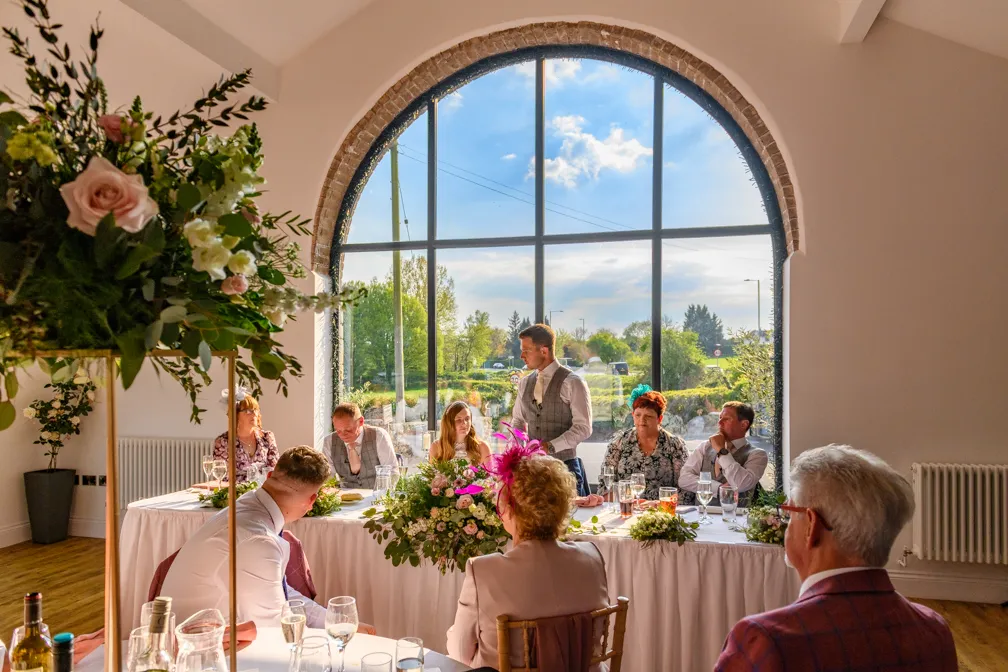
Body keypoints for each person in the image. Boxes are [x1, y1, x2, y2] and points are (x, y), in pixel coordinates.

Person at [715, 445, 957, 672]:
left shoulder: (767, 640)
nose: (786, 523)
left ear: (812, 526)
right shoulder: (934, 630)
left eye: (789, 511)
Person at [446, 447, 609, 669]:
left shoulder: (483, 571)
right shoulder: (592, 558)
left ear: (511, 511)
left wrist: (452, 635)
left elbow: (459, 653)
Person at [161, 446, 331, 628]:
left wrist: (331, 622)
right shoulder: (257, 540)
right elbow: (275, 629)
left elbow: (280, 594)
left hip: (206, 634)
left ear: (269, 476)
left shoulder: (246, 506)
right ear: (311, 501)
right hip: (199, 647)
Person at [510, 323, 593, 496]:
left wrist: (551, 447)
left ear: (544, 351)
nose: (521, 355)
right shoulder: (525, 383)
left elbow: (583, 428)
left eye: (527, 350)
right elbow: (517, 420)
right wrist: (517, 451)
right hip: (532, 473)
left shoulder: (573, 382)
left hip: (565, 471)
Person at [601, 387, 688, 500]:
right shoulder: (619, 442)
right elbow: (604, 485)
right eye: (638, 415)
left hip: (661, 512)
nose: (642, 420)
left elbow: (685, 490)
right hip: (626, 509)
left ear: (659, 419)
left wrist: (658, 506)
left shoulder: (675, 445)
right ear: (633, 416)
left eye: (648, 416)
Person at [678, 401, 767, 506]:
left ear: (744, 424)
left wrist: (721, 450)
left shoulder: (757, 455)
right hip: (702, 517)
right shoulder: (705, 446)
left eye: (727, 419)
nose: (719, 423)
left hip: (736, 519)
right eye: (720, 418)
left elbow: (740, 484)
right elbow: (683, 479)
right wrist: (718, 488)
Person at [322, 402, 397, 488]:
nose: (343, 435)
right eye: (338, 430)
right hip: (345, 497)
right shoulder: (329, 442)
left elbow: (391, 471)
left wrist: (382, 495)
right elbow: (328, 476)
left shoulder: (379, 436)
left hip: (375, 495)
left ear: (361, 421)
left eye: (348, 429)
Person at [212, 391, 279, 483]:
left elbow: (275, 472)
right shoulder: (223, 442)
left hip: (263, 492)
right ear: (236, 415)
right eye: (248, 411)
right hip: (237, 495)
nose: (254, 414)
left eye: (256, 410)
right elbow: (223, 478)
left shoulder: (267, 437)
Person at [430, 400, 491, 466]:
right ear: (449, 423)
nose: (464, 423)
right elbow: (431, 475)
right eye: (458, 420)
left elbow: (491, 475)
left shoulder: (482, 447)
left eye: (467, 419)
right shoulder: (436, 447)